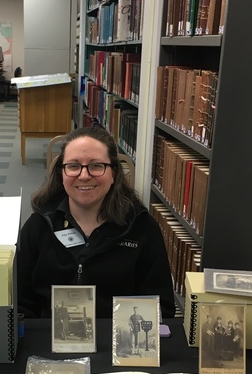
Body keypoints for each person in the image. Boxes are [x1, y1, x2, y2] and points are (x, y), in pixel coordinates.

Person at [17, 126, 175, 320]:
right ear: (61, 173)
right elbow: (21, 303)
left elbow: (160, 306)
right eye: (73, 166)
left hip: (118, 345)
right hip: (48, 343)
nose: (84, 175)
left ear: (113, 173)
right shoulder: (39, 225)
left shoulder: (142, 228)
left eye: (96, 166)